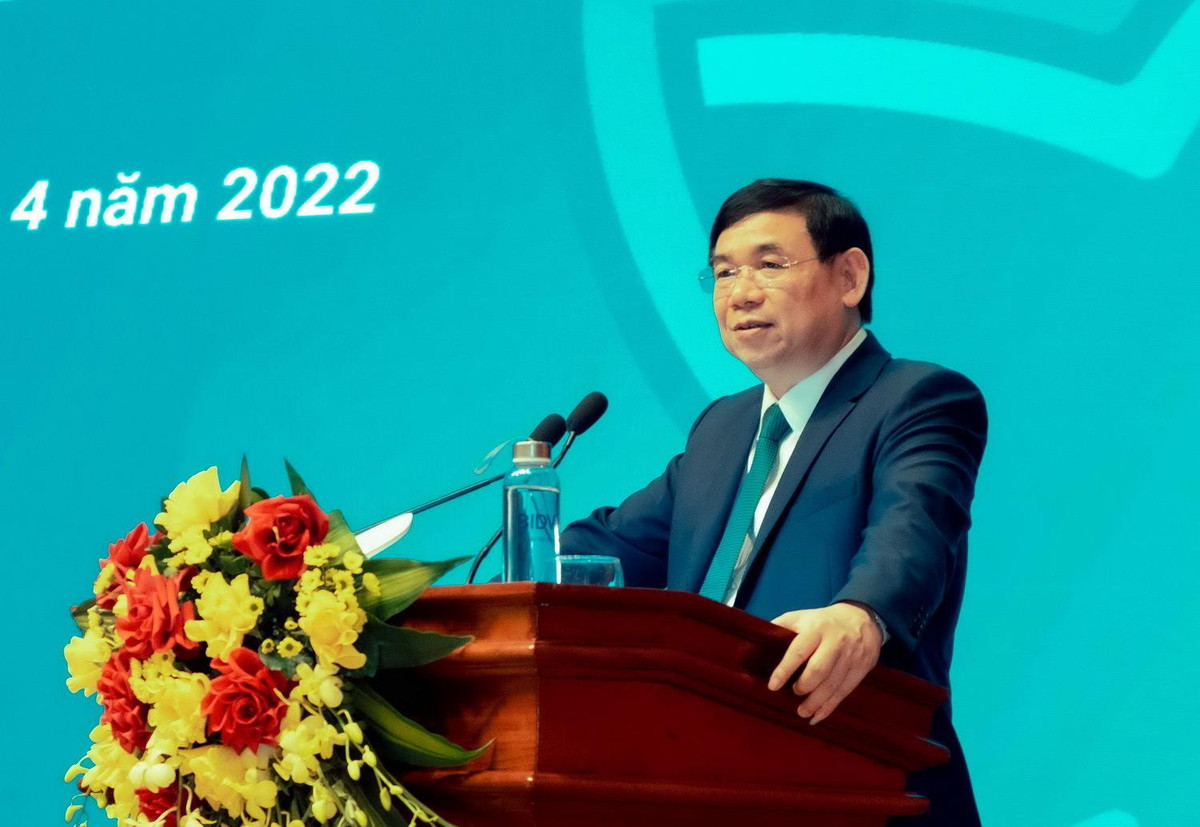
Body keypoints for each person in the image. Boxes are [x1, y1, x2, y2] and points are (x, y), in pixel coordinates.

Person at [560, 179, 988, 826]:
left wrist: (860, 614)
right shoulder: (723, 429)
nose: (740, 293)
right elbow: (611, 546)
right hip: (703, 776)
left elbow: (914, 532)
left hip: (860, 777)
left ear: (849, 276)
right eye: (724, 272)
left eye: (769, 264)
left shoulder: (918, 399)